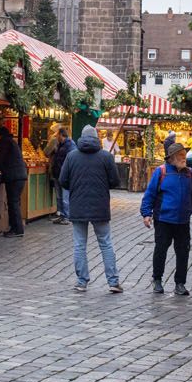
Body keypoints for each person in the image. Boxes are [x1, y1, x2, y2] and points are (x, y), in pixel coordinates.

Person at [58, 125, 122, 294]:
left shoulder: (72, 157)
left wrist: (76, 187)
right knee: (106, 243)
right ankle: (113, 281)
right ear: (96, 138)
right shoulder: (106, 157)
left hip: (78, 206)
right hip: (100, 206)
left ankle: (81, 281)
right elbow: (115, 181)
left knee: (80, 245)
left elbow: (63, 180)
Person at [140, 140, 192, 295]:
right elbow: (150, 194)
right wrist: (146, 213)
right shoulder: (161, 172)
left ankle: (180, 283)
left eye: (184, 154)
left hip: (183, 221)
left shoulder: (190, 174)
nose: (184, 157)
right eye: (181, 155)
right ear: (171, 158)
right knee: (161, 250)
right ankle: (157, 280)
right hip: (163, 219)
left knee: (183, 252)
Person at [0, 126, 29, 237]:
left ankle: (16, 229)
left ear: (0, 135)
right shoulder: (11, 142)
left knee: (13, 203)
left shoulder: (5, 143)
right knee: (15, 202)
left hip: (14, 177)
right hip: (19, 176)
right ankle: (16, 228)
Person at [48, 127, 76, 224]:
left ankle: (66, 217)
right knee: (59, 197)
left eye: (57, 135)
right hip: (57, 174)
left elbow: (71, 160)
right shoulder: (61, 145)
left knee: (64, 197)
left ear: (61, 135)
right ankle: (61, 215)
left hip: (65, 176)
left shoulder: (70, 145)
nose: (56, 137)